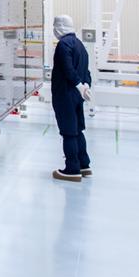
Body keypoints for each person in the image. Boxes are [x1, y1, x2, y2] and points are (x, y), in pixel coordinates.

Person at [50, 14, 92, 182]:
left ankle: (72, 169)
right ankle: (84, 165)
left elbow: (68, 69)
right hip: (77, 95)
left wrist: (78, 85)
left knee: (68, 132)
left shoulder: (63, 45)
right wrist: (85, 86)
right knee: (78, 130)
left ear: (59, 27)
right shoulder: (80, 44)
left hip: (65, 95)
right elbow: (86, 71)